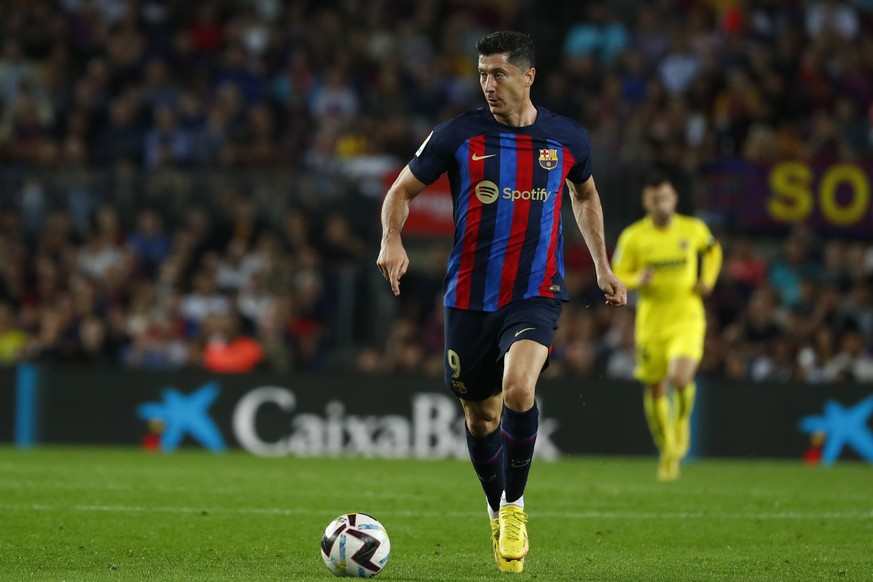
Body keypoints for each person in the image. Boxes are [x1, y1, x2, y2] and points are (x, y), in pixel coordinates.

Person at [376, 31, 626, 574]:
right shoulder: (458, 135)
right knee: (481, 415)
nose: (488, 84)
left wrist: (602, 264)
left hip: (535, 292)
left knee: (518, 388)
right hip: (468, 297)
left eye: (499, 74)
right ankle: (494, 507)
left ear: (528, 75)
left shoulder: (566, 138)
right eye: (483, 73)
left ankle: (514, 507)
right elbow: (400, 192)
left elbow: (584, 193)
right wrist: (391, 239)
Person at [611, 170, 722, 481]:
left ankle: (681, 424)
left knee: (680, 377)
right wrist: (635, 280)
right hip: (651, 321)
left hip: (687, 316)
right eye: (655, 198)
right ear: (646, 201)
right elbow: (618, 272)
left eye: (666, 197)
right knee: (655, 386)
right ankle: (667, 449)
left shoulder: (694, 229)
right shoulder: (633, 237)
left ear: (674, 198)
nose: (661, 203)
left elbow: (714, 251)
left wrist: (707, 280)